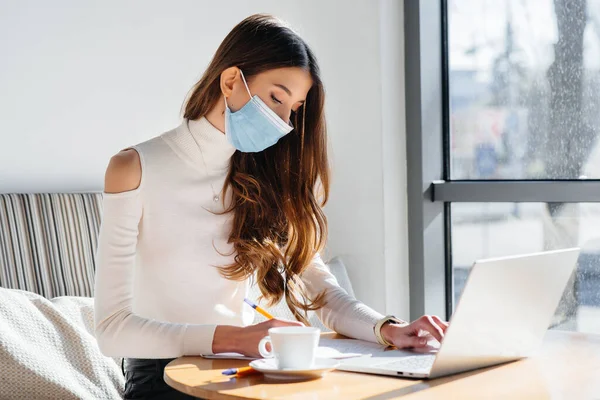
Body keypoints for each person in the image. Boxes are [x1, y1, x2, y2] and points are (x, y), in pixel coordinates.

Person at [93, 13, 448, 399]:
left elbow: (321, 292)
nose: (282, 121)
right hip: (162, 379)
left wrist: (387, 328)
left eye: (293, 109)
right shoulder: (134, 169)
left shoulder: (264, 177)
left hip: (242, 370)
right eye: (277, 97)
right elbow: (112, 329)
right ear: (230, 81)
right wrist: (239, 338)